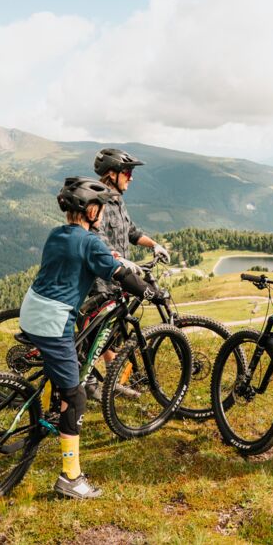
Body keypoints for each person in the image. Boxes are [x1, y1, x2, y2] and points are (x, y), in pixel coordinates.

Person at [19, 177, 164, 499]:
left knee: (62, 365)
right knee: (78, 396)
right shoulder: (91, 243)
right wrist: (151, 292)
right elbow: (120, 276)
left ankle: (48, 412)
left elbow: (79, 257)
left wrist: (107, 254)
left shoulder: (57, 234)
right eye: (99, 207)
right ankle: (70, 478)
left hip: (31, 311)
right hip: (53, 321)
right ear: (91, 210)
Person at [80, 148, 170, 400]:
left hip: (117, 275)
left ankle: (111, 381)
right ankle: (90, 381)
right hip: (102, 278)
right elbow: (96, 238)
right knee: (101, 332)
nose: (131, 177)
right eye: (127, 172)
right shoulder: (98, 201)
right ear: (111, 174)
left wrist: (154, 245)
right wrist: (119, 259)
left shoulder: (118, 200)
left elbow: (130, 231)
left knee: (115, 331)